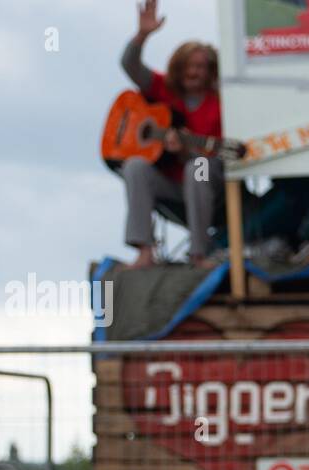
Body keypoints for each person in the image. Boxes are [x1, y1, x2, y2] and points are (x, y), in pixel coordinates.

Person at [120, 0, 224, 269]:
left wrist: (186, 152)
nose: (194, 72)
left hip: (208, 186)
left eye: (201, 66)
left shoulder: (220, 104)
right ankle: (144, 250)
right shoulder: (164, 90)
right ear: (178, 68)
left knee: (197, 167)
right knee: (135, 166)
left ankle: (199, 254)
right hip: (171, 185)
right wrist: (142, 35)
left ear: (210, 70)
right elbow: (130, 66)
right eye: (189, 65)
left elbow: (218, 156)